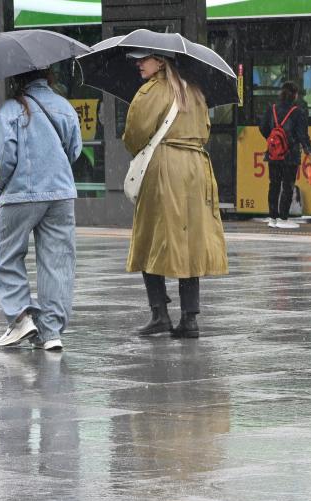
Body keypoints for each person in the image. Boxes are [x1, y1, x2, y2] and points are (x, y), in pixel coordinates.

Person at [122, 49, 228, 339]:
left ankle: (159, 313)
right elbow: (205, 131)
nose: (138, 64)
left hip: (164, 167)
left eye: (144, 59)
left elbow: (135, 134)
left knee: (151, 236)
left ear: (161, 61)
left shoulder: (152, 91)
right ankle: (190, 318)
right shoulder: (193, 90)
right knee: (191, 240)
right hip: (196, 167)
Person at [0, 68, 83, 351]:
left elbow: (3, 156)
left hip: (21, 193)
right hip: (61, 194)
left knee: (7, 254)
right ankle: (52, 331)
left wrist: (1, 185)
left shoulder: (11, 110)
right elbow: (74, 150)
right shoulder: (64, 107)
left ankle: (21, 318)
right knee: (57, 261)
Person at [259, 81, 311, 229]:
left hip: (273, 154)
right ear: (295, 95)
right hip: (290, 155)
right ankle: (283, 218)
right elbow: (302, 135)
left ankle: (272, 217)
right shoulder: (298, 112)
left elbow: (263, 128)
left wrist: (274, 140)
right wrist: (309, 151)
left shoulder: (271, 109)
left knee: (274, 185)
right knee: (287, 186)